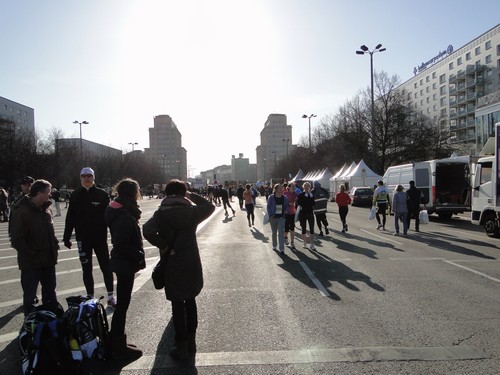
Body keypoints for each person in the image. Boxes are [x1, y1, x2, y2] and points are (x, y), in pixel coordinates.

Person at [143, 179, 215, 360]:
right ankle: (192, 341)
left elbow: (147, 230)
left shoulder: (160, 214)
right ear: (184, 194)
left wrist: (164, 245)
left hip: (172, 262)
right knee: (190, 300)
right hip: (190, 260)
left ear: (166, 194)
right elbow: (209, 206)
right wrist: (190, 195)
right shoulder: (192, 211)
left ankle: (180, 343)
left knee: (176, 303)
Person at [63, 167, 116, 307]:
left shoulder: (102, 195)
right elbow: (70, 217)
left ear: (93, 178)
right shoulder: (75, 195)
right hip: (82, 238)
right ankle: (90, 296)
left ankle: (111, 296)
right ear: (80, 178)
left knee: (106, 267)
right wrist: (66, 237)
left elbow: (110, 216)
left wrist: (115, 234)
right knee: (86, 268)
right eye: (84, 176)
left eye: (89, 176)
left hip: (100, 237)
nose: (86, 178)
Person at [105, 178, 145, 359]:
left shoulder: (120, 208)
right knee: (122, 305)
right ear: (133, 192)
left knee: (123, 304)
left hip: (122, 261)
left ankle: (117, 340)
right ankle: (118, 345)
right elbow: (121, 243)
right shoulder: (123, 213)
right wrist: (139, 255)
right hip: (124, 262)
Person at [10, 179, 59, 316]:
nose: (50, 195)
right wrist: (32, 253)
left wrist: (54, 245)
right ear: (38, 193)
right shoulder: (22, 210)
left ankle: (51, 321)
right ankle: (30, 324)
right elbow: (17, 239)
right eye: (48, 192)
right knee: (30, 295)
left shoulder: (46, 208)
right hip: (32, 262)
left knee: (50, 293)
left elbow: (50, 231)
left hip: (48, 259)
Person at [266, 183, 289, 254]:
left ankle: (281, 248)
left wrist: (286, 210)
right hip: (273, 217)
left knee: (281, 232)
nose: (281, 189)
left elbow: (286, 206)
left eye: (281, 188)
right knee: (274, 233)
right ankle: (274, 245)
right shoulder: (271, 197)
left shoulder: (284, 197)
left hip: (281, 217)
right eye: (279, 188)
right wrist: (270, 215)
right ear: (275, 189)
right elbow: (268, 206)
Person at [296, 181, 316, 250]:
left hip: (310, 213)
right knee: (303, 229)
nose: (307, 187)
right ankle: (304, 242)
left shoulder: (311, 195)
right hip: (303, 214)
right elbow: (299, 203)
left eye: (308, 186)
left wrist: (310, 198)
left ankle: (312, 244)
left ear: (310, 187)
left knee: (312, 229)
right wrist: (306, 198)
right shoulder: (301, 195)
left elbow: (313, 204)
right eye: (305, 186)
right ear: (303, 187)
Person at [283, 182, 298, 249]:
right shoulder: (285, 193)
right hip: (286, 213)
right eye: (292, 186)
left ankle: (292, 242)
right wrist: (288, 203)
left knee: (292, 227)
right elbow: (283, 202)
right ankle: (285, 237)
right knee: (286, 228)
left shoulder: (295, 194)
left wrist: (295, 204)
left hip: (292, 213)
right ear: (288, 187)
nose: (293, 187)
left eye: (294, 186)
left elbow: (297, 202)